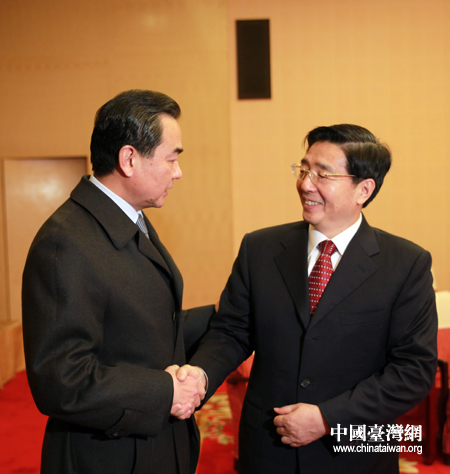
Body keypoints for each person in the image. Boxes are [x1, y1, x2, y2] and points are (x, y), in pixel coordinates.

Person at [187, 124, 438, 473]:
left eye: (323, 174)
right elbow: (231, 332)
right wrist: (199, 375)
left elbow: (413, 371)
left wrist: (326, 418)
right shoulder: (259, 249)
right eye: (304, 170)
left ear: (364, 189)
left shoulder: (406, 264)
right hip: (269, 445)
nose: (306, 184)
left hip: (356, 452)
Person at [22, 89, 213, 474]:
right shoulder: (65, 242)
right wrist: (165, 391)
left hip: (146, 448)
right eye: (171, 158)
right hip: (107, 455)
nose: (178, 171)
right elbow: (62, 379)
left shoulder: (128, 218)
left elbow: (138, 324)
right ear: (129, 159)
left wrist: (223, 315)